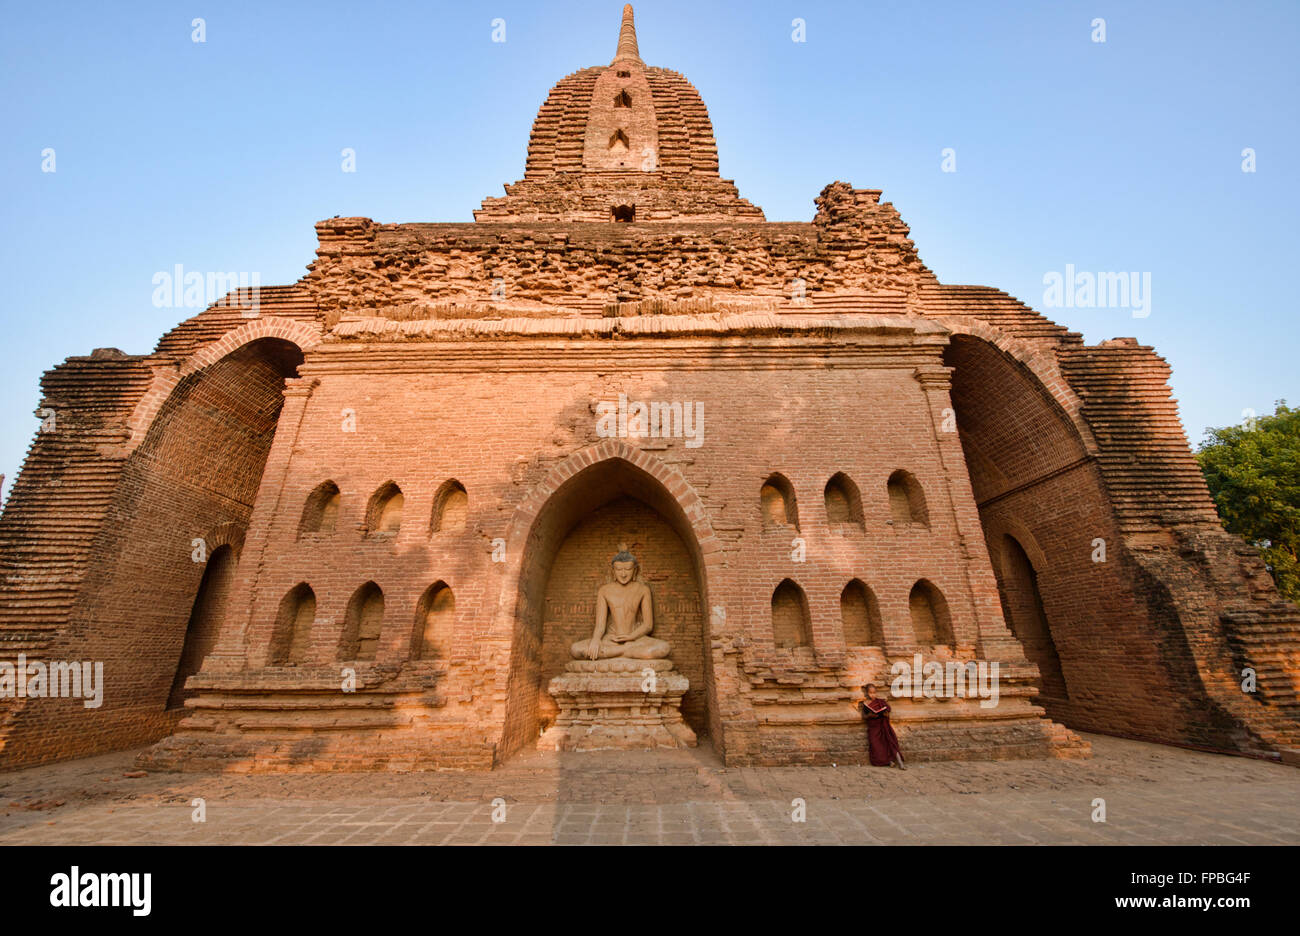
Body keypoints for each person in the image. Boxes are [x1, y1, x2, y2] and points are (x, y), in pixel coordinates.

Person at [856, 683, 905, 769]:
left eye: (874, 692)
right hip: (873, 728)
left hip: (883, 725)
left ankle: (900, 762)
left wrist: (885, 714)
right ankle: (889, 762)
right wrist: (870, 716)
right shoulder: (865, 704)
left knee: (891, 742)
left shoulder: (880, 702)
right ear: (867, 693)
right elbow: (864, 716)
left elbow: (887, 709)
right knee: (877, 746)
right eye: (870, 693)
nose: (873, 695)